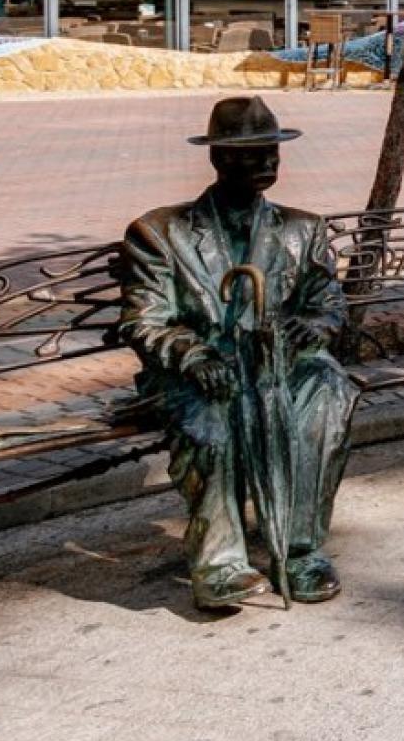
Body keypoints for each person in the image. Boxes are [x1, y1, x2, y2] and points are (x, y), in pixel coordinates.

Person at [117, 96, 356, 611]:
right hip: (196, 373)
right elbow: (145, 320)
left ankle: (299, 550)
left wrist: (306, 330)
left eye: (271, 151)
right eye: (251, 153)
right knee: (213, 416)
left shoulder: (302, 229)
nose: (267, 162)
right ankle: (220, 563)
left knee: (327, 392)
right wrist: (194, 356)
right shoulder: (160, 233)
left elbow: (327, 305)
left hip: (276, 367)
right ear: (219, 158)